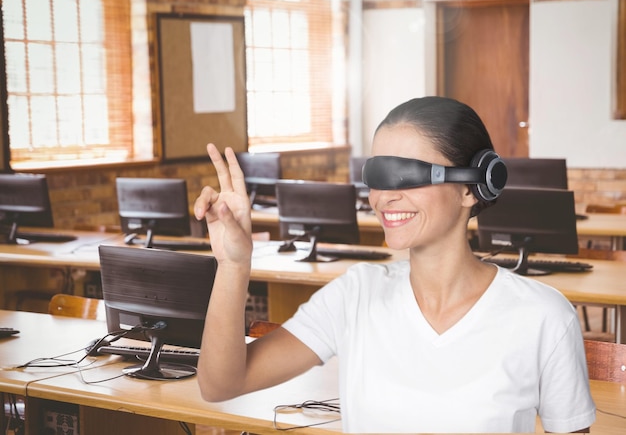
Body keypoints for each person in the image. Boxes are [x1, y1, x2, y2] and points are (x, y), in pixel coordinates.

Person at [193, 96, 595, 433]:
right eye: (377, 177)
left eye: (406, 175)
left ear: (472, 187)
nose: (384, 197)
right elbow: (221, 384)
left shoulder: (542, 316)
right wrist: (233, 264)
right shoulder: (356, 294)